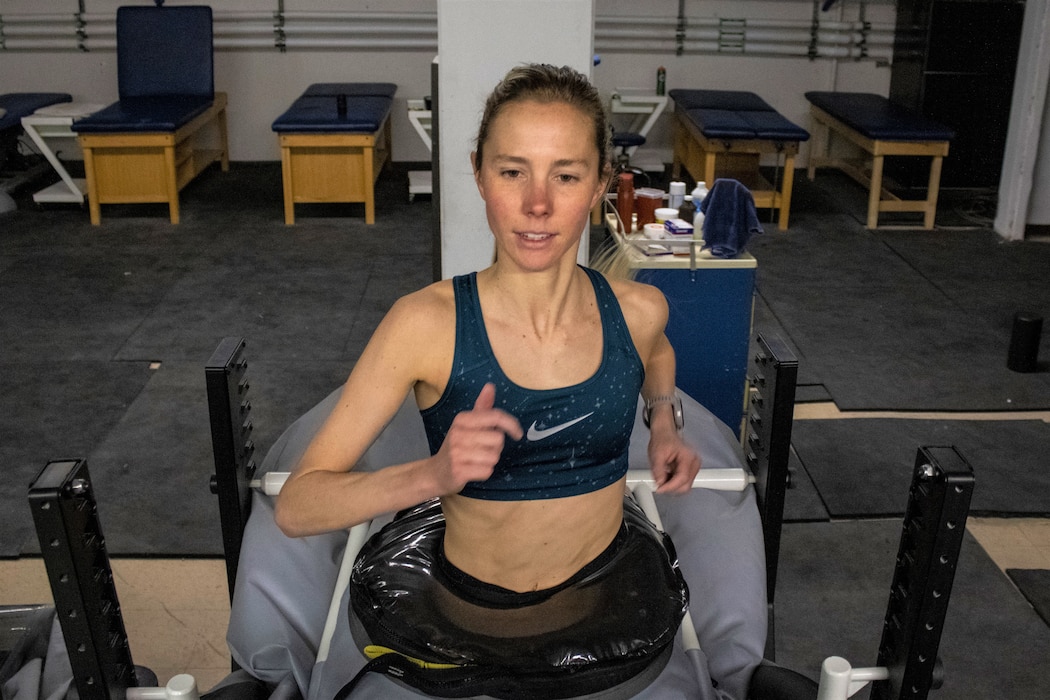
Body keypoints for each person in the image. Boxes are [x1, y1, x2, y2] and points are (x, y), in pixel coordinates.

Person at [273, 63, 702, 691]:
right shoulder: (424, 325)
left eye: (566, 175)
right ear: (479, 173)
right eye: (512, 172)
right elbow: (298, 505)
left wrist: (663, 421)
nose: (537, 203)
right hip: (475, 610)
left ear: (600, 184)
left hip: (605, 589)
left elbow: (657, 354)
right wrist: (431, 475)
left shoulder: (638, 311)